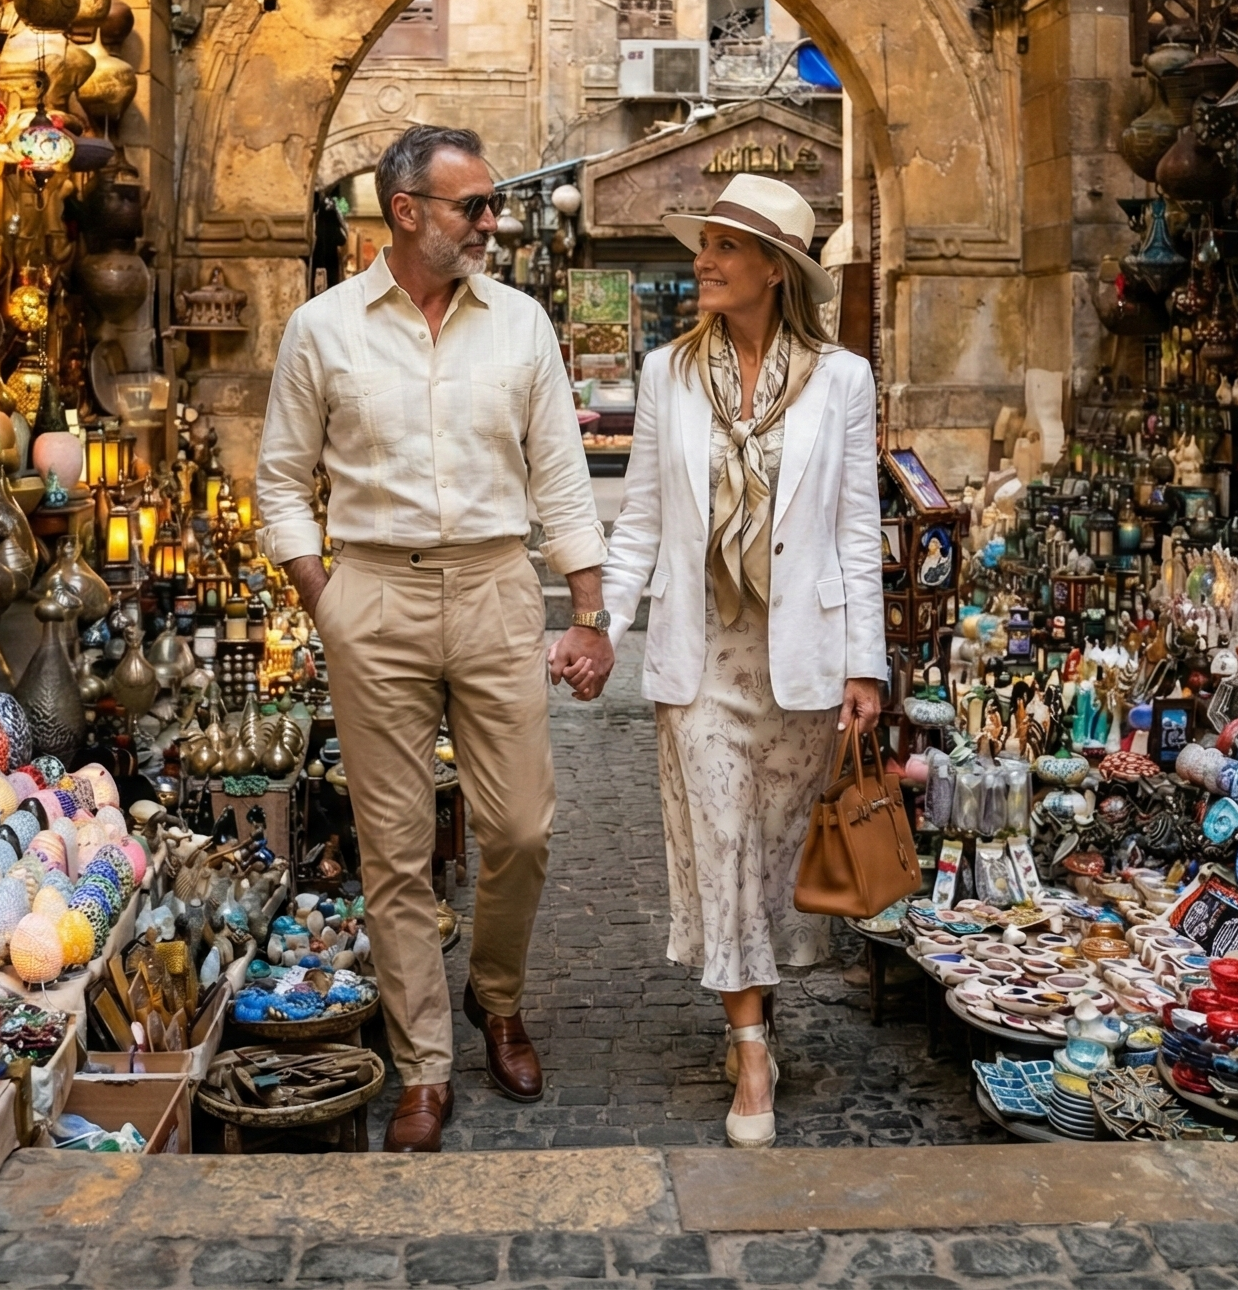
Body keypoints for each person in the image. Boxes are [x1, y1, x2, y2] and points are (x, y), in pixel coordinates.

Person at [257, 124, 615, 1153]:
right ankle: (423, 1063)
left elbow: (559, 478)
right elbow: (283, 479)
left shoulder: (520, 326)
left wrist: (586, 612)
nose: (492, 221)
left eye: (494, 203)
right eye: (475, 206)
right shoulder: (322, 329)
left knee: (519, 830)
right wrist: (325, 595)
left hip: (498, 586)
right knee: (397, 848)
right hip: (372, 591)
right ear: (404, 212)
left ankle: (494, 997)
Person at [557, 173, 885, 1149]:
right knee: (719, 845)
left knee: (771, 854)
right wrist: (603, 621)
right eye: (702, 243)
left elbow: (856, 530)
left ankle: (756, 1008)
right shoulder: (665, 375)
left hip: (799, 656)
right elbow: (644, 523)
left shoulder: (841, 381)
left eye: (725, 247)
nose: (703, 260)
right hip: (699, 658)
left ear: (774, 270)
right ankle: (748, 1050)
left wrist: (863, 665)